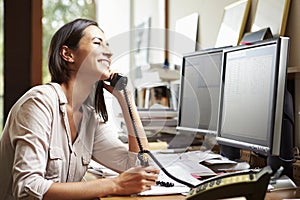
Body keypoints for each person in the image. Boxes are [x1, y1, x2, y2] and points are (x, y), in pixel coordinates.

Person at [0, 18, 160, 200]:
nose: (108, 52)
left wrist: (126, 100)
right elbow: (27, 188)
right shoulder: (38, 103)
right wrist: (114, 184)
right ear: (68, 54)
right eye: (97, 43)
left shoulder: (90, 117)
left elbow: (140, 167)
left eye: (107, 45)